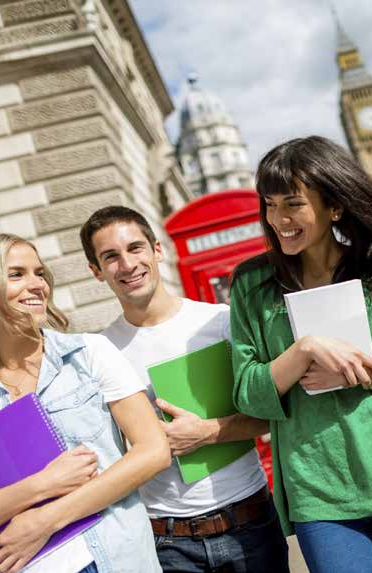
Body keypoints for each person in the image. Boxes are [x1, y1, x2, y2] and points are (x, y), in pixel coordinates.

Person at [230, 136, 372, 573]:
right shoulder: (250, 283)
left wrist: (359, 371)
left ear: (335, 206)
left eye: (292, 203)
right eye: (270, 205)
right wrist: (306, 349)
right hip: (317, 487)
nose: (278, 219)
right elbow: (246, 392)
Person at [0, 234, 169, 573]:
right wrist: (41, 486)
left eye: (39, 273)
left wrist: (46, 519)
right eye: (16, 274)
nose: (37, 285)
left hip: (116, 559)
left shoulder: (90, 354)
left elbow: (153, 451)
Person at [79, 206, 289, 573]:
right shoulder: (99, 352)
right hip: (167, 541)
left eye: (136, 248)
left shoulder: (219, 321)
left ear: (157, 250)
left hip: (251, 524)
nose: (127, 264)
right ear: (97, 271)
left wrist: (205, 433)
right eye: (110, 257)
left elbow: (274, 416)